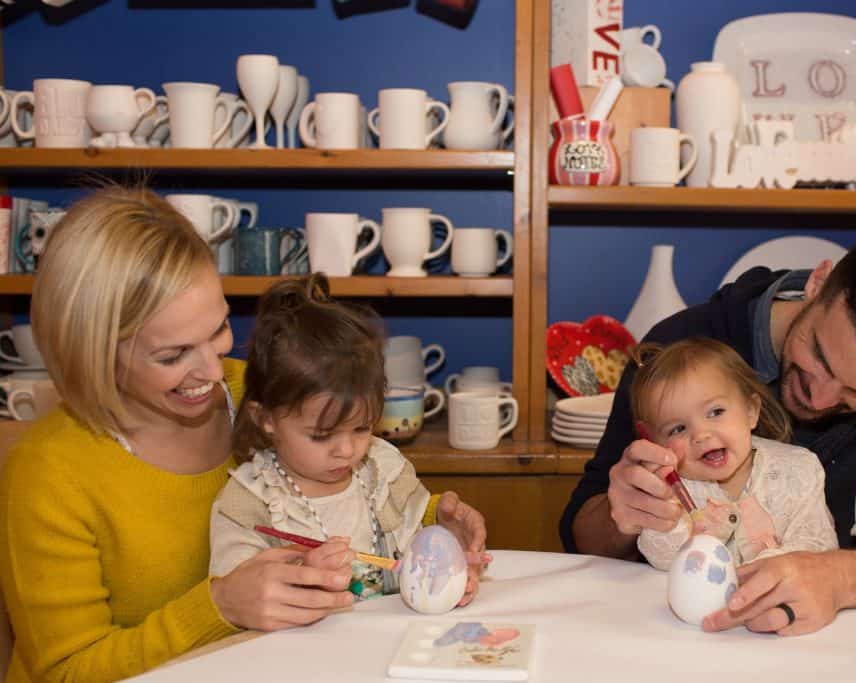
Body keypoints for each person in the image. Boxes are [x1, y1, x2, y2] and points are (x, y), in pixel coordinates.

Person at [0, 186, 485, 682]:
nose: (213, 370)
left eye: (220, 329)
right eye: (173, 356)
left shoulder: (269, 397)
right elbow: (64, 672)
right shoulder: (49, 476)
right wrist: (219, 606)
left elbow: (358, 490)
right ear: (91, 351)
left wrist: (435, 521)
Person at [561, 223, 856, 636]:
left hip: (832, 645)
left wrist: (840, 579)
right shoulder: (682, 347)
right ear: (818, 282)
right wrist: (619, 515)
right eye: (818, 356)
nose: (819, 399)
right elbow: (582, 535)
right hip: (677, 638)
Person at [209, 274, 490, 606]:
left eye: (361, 428)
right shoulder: (248, 504)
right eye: (321, 435)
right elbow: (237, 602)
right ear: (266, 418)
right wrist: (302, 574)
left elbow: (419, 546)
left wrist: (448, 570)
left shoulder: (382, 469)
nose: (346, 450)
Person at [630, 338, 838, 571]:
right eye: (678, 429)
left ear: (751, 411)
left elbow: (819, 547)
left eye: (715, 412)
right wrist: (666, 510)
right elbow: (663, 558)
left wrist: (768, 566)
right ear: (656, 443)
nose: (701, 435)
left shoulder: (798, 470)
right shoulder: (672, 490)